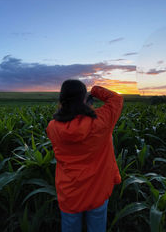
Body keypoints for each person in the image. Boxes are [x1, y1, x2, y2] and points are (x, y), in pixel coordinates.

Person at [46, 79, 123, 232]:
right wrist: (94, 90)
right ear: (84, 98)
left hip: (70, 192)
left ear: (62, 99)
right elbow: (116, 99)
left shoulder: (53, 127)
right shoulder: (101, 120)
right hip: (98, 189)